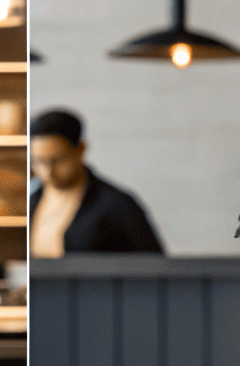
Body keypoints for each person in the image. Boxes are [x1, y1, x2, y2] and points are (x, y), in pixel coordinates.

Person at [29, 109, 163, 257]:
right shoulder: (32, 201)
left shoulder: (117, 205)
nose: (47, 172)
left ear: (81, 149)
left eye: (58, 160)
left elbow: (156, 268)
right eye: (38, 161)